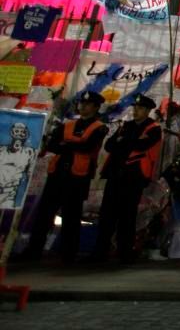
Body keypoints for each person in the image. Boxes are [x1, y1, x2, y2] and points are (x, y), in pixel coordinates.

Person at [23, 91, 108, 263]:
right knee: (44, 214)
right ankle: (33, 251)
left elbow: (87, 147)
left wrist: (66, 144)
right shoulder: (67, 125)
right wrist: (71, 145)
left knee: (71, 216)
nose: (82, 106)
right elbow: (54, 144)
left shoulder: (99, 127)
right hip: (58, 173)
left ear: (96, 107)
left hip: (78, 176)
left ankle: (68, 254)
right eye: (81, 103)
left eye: (87, 104)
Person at [92, 94, 163, 264]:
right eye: (135, 108)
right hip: (115, 174)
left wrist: (123, 142)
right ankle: (100, 252)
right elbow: (110, 145)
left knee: (127, 216)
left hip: (134, 177)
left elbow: (141, 146)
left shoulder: (153, 128)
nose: (135, 111)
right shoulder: (126, 126)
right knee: (107, 215)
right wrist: (125, 141)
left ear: (147, 111)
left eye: (139, 108)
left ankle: (124, 252)